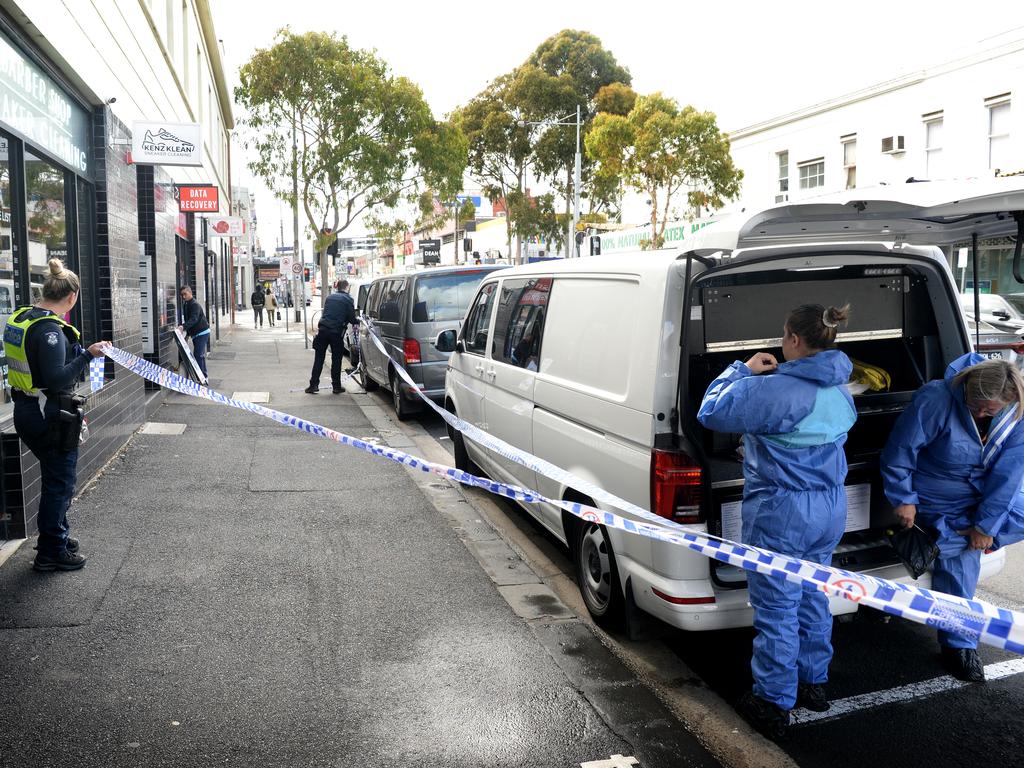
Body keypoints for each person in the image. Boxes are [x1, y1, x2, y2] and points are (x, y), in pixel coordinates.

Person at [698, 304, 855, 740]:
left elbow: (711, 411)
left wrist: (742, 370)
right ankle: (814, 682)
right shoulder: (841, 387)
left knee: (777, 605)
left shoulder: (777, 390)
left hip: (783, 512)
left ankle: (772, 700)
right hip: (830, 506)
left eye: (784, 335)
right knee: (812, 593)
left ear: (793, 340)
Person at [881, 354, 1024, 683]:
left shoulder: (1017, 408)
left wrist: (986, 527)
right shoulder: (936, 397)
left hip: (983, 491)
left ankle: (947, 539)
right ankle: (959, 645)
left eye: (991, 410)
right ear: (967, 387)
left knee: (964, 543)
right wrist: (903, 499)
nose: (982, 414)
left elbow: (1009, 474)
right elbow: (900, 451)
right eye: (977, 406)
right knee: (963, 561)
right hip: (937, 491)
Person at [3, 259, 109, 571]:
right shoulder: (49, 330)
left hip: (27, 409)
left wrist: (82, 353)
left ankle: (56, 537)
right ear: (71, 297)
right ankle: (51, 551)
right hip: (46, 413)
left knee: (55, 478)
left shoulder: (24, 317)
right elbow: (56, 378)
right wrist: (88, 355)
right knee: (59, 482)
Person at [305, 279, 356, 394]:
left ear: (337, 287)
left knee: (319, 359)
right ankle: (336, 386)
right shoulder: (348, 299)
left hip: (323, 330)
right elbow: (352, 319)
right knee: (336, 360)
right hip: (336, 332)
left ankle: (313, 385)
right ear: (347, 287)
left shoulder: (329, 298)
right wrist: (358, 321)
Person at [178, 285, 210, 377]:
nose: (183, 297)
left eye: (185, 294)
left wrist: (183, 327)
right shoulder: (186, 304)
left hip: (202, 332)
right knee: (200, 355)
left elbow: (193, 319)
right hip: (196, 333)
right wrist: (187, 333)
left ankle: (201, 377)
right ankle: (203, 376)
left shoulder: (195, 305)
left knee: (198, 355)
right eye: (182, 295)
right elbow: (188, 319)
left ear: (190, 293)